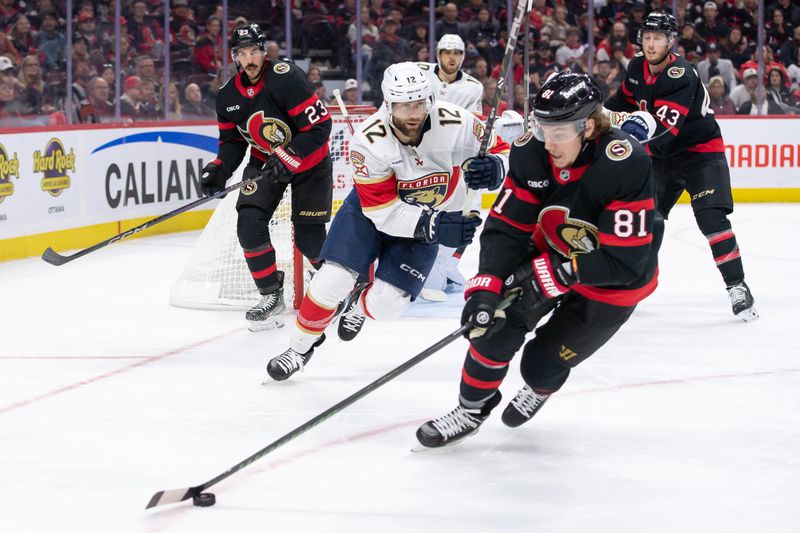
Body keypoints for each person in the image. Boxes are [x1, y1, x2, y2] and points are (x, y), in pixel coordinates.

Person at [416, 72, 662, 448]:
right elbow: (507, 225)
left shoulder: (625, 161)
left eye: (560, 132)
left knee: (541, 363)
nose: (549, 143)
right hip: (550, 248)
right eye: (543, 128)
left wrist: (551, 275)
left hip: (613, 282)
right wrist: (488, 284)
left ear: (590, 126)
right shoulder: (532, 151)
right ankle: (471, 410)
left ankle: (540, 387)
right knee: (493, 326)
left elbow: (624, 261)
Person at [265, 62, 510, 381]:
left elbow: (503, 150)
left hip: (426, 219)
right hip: (370, 213)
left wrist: (497, 167)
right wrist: (434, 226)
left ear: (430, 101)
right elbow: (383, 212)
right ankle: (298, 348)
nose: (413, 112)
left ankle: (358, 305)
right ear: (389, 103)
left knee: (387, 306)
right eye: (404, 105)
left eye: (419, 103)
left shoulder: (458, 123)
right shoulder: (369, 140)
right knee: (331, 281)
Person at [605, 11, 757, 321]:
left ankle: (737, 285)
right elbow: (617, 106)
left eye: (657, 38)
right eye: (647, 38)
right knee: (645, 219)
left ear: (670, 41)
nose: (651, 44)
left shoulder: (681, 74)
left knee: (711, 217)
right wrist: (591, 118)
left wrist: (630, 134)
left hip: (700, 153)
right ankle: (634, 282)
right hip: (663, 158)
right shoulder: (635, 68)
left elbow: (664, 131)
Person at [199, 23, 334, 331]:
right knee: (248, 223)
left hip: (310, 162)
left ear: (264, 52)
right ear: (235, 56)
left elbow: (320, 127)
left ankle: (336, 289)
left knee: (309, 236)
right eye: (242, 53)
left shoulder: (287, 79)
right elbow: (232, 143)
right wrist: (219, 169)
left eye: (254, 52)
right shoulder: (227, 95)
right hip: (265, 160)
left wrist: (290, 155)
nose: (249, 60)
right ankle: (272, 294)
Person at [416, 33, 486, 301]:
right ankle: (425, 265)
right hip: (422, 156)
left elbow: (474, 123)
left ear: (463, 57)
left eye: (457, 53)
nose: (451, 57)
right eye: (447, 52)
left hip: (456, 157)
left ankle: (447, 265)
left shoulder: (473, 87)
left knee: (469, 214)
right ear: (437, 54)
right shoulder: (420, 73)